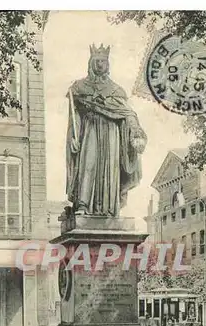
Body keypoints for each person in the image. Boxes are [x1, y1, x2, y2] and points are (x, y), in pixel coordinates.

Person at [66, 44, 147, 216]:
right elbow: (75, 116)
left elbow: (127, 113)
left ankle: (110, 209)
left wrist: (135, 131)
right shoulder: (79, 87)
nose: (101, 64)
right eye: (97, 61)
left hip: (111, 132)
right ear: (91, 62)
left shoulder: (117, 90)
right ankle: (83, 205)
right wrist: (74, 137)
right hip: (90, 130)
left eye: (104, 61)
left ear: (108, 64)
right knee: (89, 163)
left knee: (110, 169)